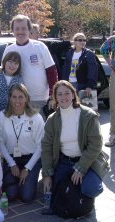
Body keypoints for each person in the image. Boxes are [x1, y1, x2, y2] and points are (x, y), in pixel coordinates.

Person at [41, 80, 109, 214]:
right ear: (55, 98)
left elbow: (96, 145)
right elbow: (47, 148)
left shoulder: (87, 115)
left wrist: (81, 168)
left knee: (91, 188)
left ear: (73, 94)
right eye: (59, 94)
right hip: (65, 161)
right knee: (53, 191)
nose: (63, 97)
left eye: (67, 93)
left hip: (87, 161)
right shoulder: (52, 120)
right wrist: (47, 174)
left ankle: (86, 196)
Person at [0, 84, 44, 203]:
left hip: (31, 159)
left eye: (21, 97)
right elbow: (0, 142)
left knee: (26, 197)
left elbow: (41, 146)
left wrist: (27, 168)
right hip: (11, 159)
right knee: (10, 195)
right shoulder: (2, 116)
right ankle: (17, 181)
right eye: (14, 97)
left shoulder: (36, 117)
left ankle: (28, 180)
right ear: (9, 98)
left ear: (27, 98)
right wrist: (11, 164)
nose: (17, 101)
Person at [2, 14, 58, 117]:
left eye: (24, 28)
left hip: (40, 100)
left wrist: (52, 95)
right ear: (12, 31)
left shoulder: (40, 46)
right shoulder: (9, 50)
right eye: (17, 28)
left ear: (29, 30)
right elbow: (4, 73)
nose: (20, 31)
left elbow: (52, 71)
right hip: (17, 101)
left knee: (41, 130)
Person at [62, 33, 99, 97]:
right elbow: (65, 69)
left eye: (84, 40)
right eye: (80, 40)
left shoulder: (89, 54)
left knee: (80, 106)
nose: (83, 42)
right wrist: (63, 83)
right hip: (69, 83)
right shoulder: (69, 53)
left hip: (81, 85)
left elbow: (93, 71)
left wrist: (89, 86)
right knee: (70, 105)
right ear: (75, 42)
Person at [100, 36, 115, 147]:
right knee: (114, 106)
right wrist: (110, 63)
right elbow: (103, 49)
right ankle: (113, 135)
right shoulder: (113, 39)